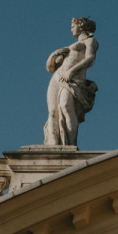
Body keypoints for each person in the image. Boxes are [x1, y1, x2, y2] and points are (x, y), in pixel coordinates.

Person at [44, 17, 99, 146]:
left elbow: (90, 59)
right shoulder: (68, 48)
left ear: (81, 26)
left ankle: (70, 145)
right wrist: (54, 54)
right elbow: (50, 68)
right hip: (57, 78)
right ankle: (54, 145)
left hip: (73, 79)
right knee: (53, 113)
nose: (71, 29)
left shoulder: (91, 41)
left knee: (65, 106)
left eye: (73, 26)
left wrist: (71, 72)